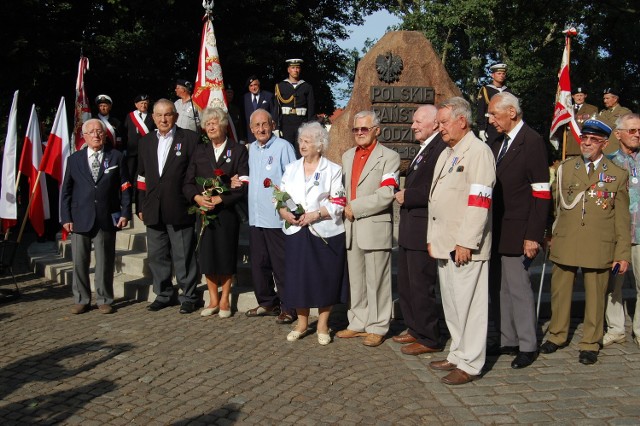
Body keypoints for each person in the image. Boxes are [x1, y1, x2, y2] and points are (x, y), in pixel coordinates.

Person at [539, 119, 630, 365]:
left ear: (604, 143)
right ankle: (557, 335)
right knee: (560, 292)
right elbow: (554, 206)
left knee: (596, 296)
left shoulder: (616, 174)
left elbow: (622, 218)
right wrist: (549, 234)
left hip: (599, 243)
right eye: (585, 139)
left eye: (594, 140)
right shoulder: (566, 168)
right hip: (566, 240)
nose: (587, 143)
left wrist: (622, 253)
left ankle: (590, 342)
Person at [427, 97, 496, 385]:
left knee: (470, 306)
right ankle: (457, 352)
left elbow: (479, 201)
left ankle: (471, 362)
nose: (439, 127)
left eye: (444, 122)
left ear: (462, 121)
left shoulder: (478, 152)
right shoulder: (448, 151)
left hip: (465, 245)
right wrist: (433, 238)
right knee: (453, 305)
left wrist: (467, 241)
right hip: (445, 243)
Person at [487, 92, 551, 369]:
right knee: (500, 288)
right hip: (497, 228)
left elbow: (541, 194)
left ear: (512, 112)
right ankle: (507, 338)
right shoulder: (497, 141)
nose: (490, 120)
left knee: (519, 289)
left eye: (494, 114)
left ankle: (527, 345)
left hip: (520, 229)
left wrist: (533, 236)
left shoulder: (533, 142)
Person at [278, 122, 348, 345]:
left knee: (324, 278)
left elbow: (338, 202)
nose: (302, 145)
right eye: (300, 141)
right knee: (298, 278)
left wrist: (315, 214)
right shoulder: (291, 169)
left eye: (307, 141)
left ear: (320, 145)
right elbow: (279, 197)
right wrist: (284, 213)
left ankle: (322, 324)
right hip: (296, 230)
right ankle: (301, 323)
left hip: (325, 231)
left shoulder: (334, 170)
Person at [337, 110, 400, 347]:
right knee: (357, 280)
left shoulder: (389, 157)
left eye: (364, 129)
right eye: (356, 129)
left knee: (378, 281)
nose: (360, 133)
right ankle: (357, 322)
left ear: (377, 130)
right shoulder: (346, 156)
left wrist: (355, 206)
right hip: (351, 227)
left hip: (373, 225)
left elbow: (387, 193)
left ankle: (378, 325)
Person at [61, 119, 131, 314]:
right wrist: (65, 217)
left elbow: (125, 187)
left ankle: (104, 299)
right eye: (91, 132)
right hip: (79, 217)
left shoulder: (116, 156)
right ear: (84, 136)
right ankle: (81, 299)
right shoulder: (74, 159)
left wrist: (125, 212)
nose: (96, 135)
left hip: (106, 216)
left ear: (104, 134)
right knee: (79, 261)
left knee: (105, 261)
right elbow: (66, 191)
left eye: (99, 131)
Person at [183, 107, 249, 319]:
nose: (211, 127)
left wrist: (221, 198)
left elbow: (243, 183)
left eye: (215, 123)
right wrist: (197, 198)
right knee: (207, 256)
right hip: (203, 212)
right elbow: (188, 182)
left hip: (226, 213)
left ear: (223, 125)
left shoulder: (237, 150)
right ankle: (212, 299)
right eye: (208, 124)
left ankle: (225, 299)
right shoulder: (199, 151)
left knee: (225, 255)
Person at [137, 99, 200, 314]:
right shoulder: (145, 142)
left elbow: (195, 174)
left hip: (180, 206)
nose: (163, 119)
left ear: (175, 116)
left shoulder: (190, 139)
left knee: (184, 255)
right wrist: (140, 204)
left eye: (168, 115)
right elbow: (141, 177)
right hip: (153, 207)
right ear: (153, 117)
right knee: (157, 255)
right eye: (159, 115)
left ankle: (189, 295)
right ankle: (163, 294)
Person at [393, 105, 447, 355]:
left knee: (421, 285)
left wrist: (409, 195)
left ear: (435, 123)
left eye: (418, 122)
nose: (412, 126)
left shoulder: (441, 149)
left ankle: (429, 336)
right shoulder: (425, 148)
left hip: (423, 228)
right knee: (407, 284)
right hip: (410, 229)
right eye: (413, 122)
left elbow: (438, 189)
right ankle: (415, 329)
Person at [236, 109, 298, 324]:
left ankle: (289, 307)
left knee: (281, 265)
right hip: (256, 218)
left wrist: (291, 211)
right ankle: (267, 302)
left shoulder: (284, 147)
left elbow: (293, 180)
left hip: (277, 219)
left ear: (272, 125)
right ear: (251, 129)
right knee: (259, 264)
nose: (261, 129)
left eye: (265, 124)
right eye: (257, 126)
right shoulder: (251, 149)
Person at [603, 113, 640, 347]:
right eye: (632, 130)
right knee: (612, 286)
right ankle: (616, 329)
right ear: (618, 134)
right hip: (617, 235)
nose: (637, 134)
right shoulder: (608, 162)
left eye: (639, 131)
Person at [274, 59, 315, 153]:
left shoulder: (307, 87)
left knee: (301, 150)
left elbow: (311, 109)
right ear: (288, 70)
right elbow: (277, 108)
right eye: (293, 68)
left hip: (302, 123)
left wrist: (311, 127)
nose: (295, 70)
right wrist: (276, 127)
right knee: (286, 150)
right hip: (286, 124)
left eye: (297, 68)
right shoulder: (280, 86)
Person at [123, 94, 156, 201]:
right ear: (136, 105)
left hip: (147, 151)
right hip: (132, 152)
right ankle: (130, 196)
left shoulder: (153, 116)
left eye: (146, 103)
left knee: (143, 174)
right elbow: (125, 133)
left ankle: (142, 195)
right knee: (130, 174)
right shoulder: (130, 116)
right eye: (141, 103)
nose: (144, 105)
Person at [476, 63, 512, 145]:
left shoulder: (508, 91)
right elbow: (481, 110)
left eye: (503, 74)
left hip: (507, 126)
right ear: (493, 75)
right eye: (499, 73)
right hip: (491, 127)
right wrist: (481, 129)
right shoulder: (486, 90)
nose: (501, 76)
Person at [565, 87, 598, 157]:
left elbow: (593, 128)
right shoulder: (567, 110)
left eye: (581, 95)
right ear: (573, 96)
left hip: (585, 145)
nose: (579, 98)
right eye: (577, 95)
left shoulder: (592, 109)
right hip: (570, 146)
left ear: (585, 96)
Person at [598, 88, 632, 155]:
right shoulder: (602, 113)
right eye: (604, 98)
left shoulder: (625, 112)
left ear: (615, 99)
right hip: (602, 149)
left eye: (607, 98)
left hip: (617, 149)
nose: (605, 101)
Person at [243, 76, 275, 143]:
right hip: (250, 136)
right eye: (251, 86)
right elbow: (243, 118)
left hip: (265, 134)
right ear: (248, 87)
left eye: (255, 85)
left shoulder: (268, 96)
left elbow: (273, 114)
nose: (253, 88)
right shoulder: (245, 98)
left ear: (259, 85)